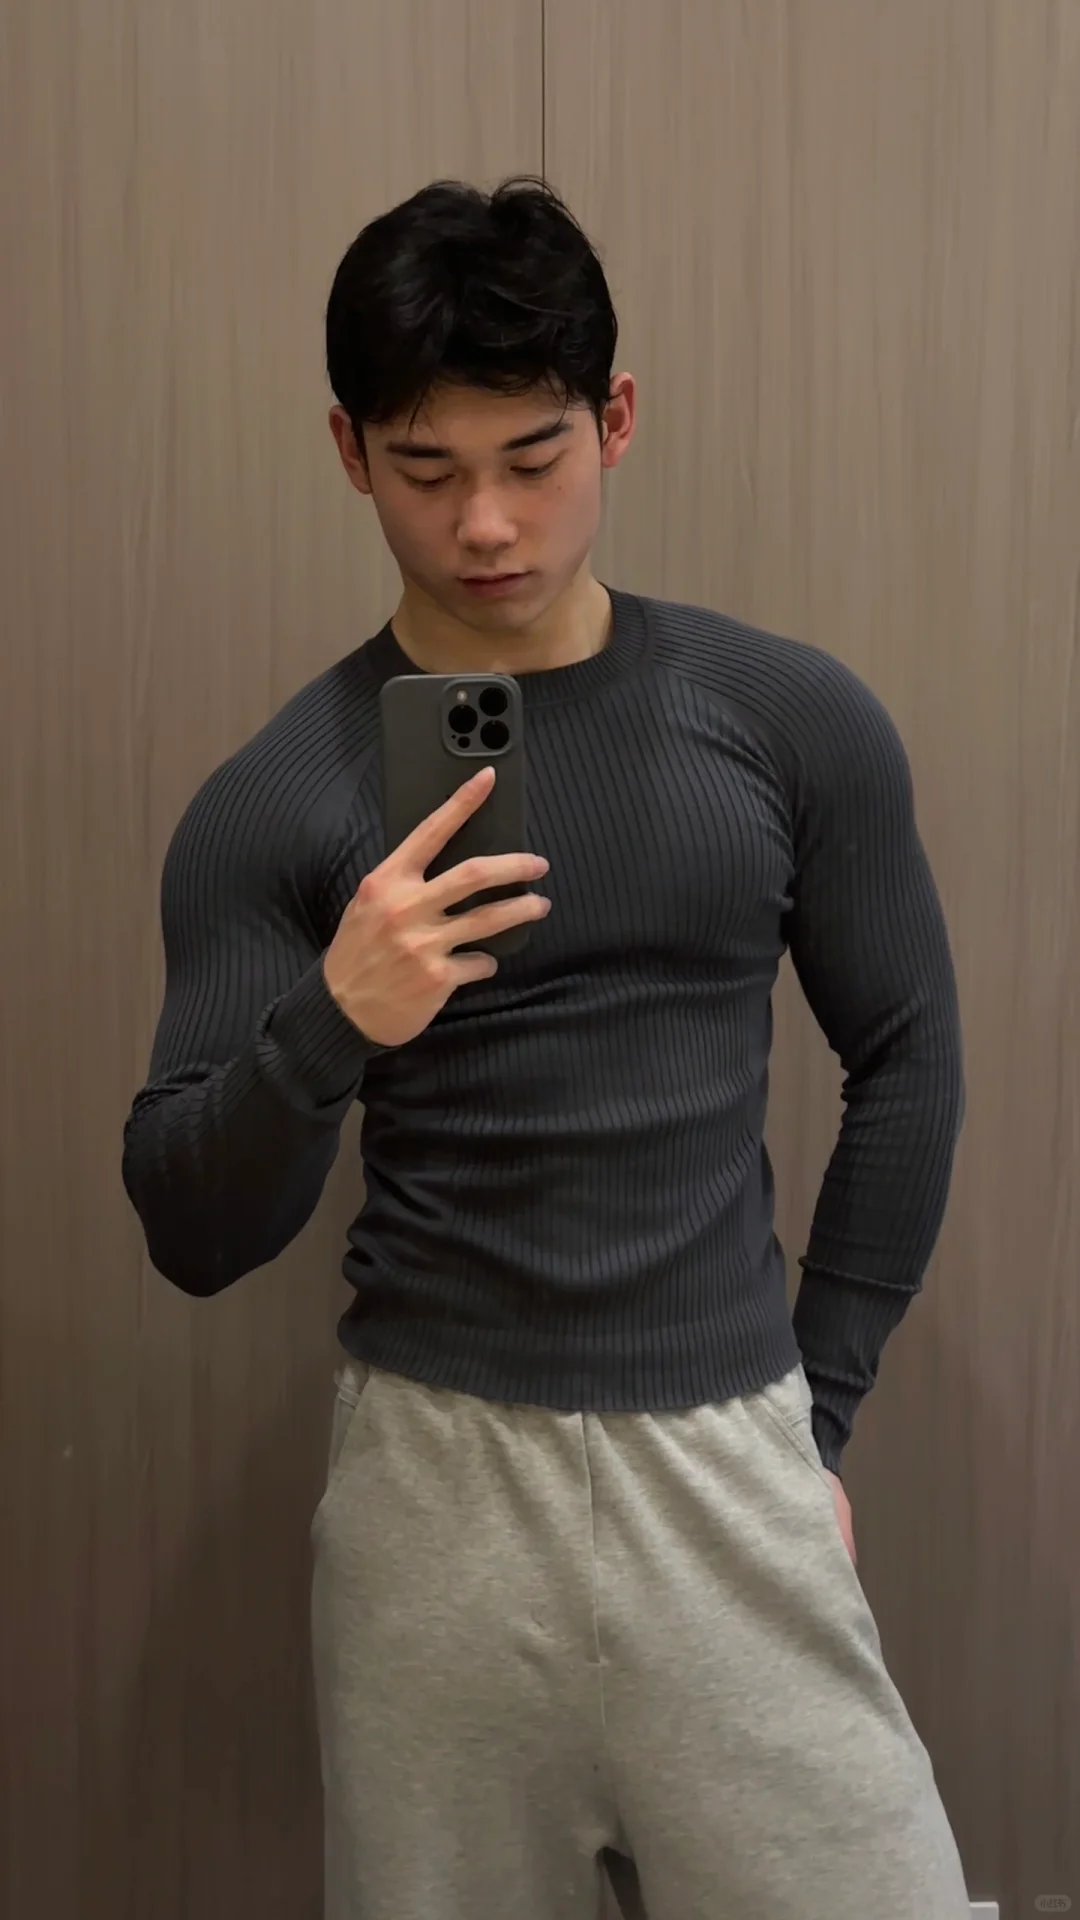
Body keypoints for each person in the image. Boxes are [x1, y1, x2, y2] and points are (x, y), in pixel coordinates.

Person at [122, 177, 970, 1920]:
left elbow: (907, 1054)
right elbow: (189, 1225)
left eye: (535, 455)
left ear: (618, 418)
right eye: (427, 471)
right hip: (437, 1501)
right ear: (350, 454)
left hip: (731, 1457)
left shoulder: (786, 721)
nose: (488, 523)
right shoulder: (275, 802)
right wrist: (334, 1020)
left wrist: (816, 1422)